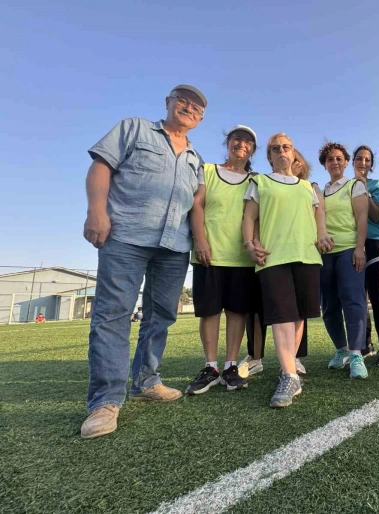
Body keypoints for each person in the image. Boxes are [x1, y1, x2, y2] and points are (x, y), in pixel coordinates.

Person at [80, 84, 207, 439]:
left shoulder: (196, 159)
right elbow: (101, 166)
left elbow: (196, 206)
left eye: (197, 108)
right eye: (183, 101)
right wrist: (96, 212)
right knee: (113, 314)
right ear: (168, 103)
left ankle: (146, 381)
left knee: (161, 315)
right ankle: (105, 401)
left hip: (175, 245)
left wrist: (200, 241)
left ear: (201, 119)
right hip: (126, 235)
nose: (189, 108)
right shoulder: (134, 128)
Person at [243, 133, 327, 408]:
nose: (281, 151)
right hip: (273, 257)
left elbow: (318, 218)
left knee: (299, 315)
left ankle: (288, 366)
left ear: (293, 154)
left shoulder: (308, 187)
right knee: (282, 316)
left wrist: (323, 236)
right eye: (276, 148)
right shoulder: (260, 182)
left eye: (286, 147)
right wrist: (250, 243)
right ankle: (289, 375)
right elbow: (249, 217)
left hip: (307, 256)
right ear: (269, 156)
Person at [185, 125, 259, 395]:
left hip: (241, 257)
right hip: (210, 254)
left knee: (237, 311)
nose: (241, 144)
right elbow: (197, 205)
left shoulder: (255, 180)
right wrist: (200, 240)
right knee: (210, 311)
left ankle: (230, 366)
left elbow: (256, 217)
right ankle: (210, 368)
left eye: (248, 142)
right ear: (228, 143)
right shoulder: (207, 170)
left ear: (253, 150)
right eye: (237, 139)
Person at [318, 142, 369, 378]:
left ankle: (357, 354)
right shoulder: (320, 192)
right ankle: (342, 349)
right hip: (324, 254)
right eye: (330, 159)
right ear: (325, 164)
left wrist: (360, 248)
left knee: (353, 300)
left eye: (339, 158)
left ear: (346, 162)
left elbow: (362, 219)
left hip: (349, 249)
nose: (335, 162)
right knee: (329, 305)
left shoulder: (354, 185)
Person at [352, 145, 379, 367]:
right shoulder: (346, 186)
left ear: (371, 164)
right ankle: (364, 344)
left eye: (367, 160)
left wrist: (364, 190)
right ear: (353, 161)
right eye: (359, 159)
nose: (363, 163)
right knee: (358, 298)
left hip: (375, 243)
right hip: (352, 245)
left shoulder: (378, 185)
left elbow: (377, 215)